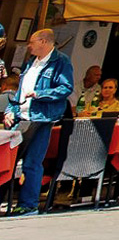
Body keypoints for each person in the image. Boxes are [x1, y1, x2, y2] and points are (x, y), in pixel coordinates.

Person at [5, 28, 72, 216]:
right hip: (21, 116)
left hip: (41, 118)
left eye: (32, 42)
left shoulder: (61, 62)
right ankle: (10, 201)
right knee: (8, 160)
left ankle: (28, 205)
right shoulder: (30, 63)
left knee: (32, 162)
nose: (29, 45)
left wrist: (40, 94)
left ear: (43, 42)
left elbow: (66, 88)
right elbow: (20, 91)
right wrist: (11, 110)